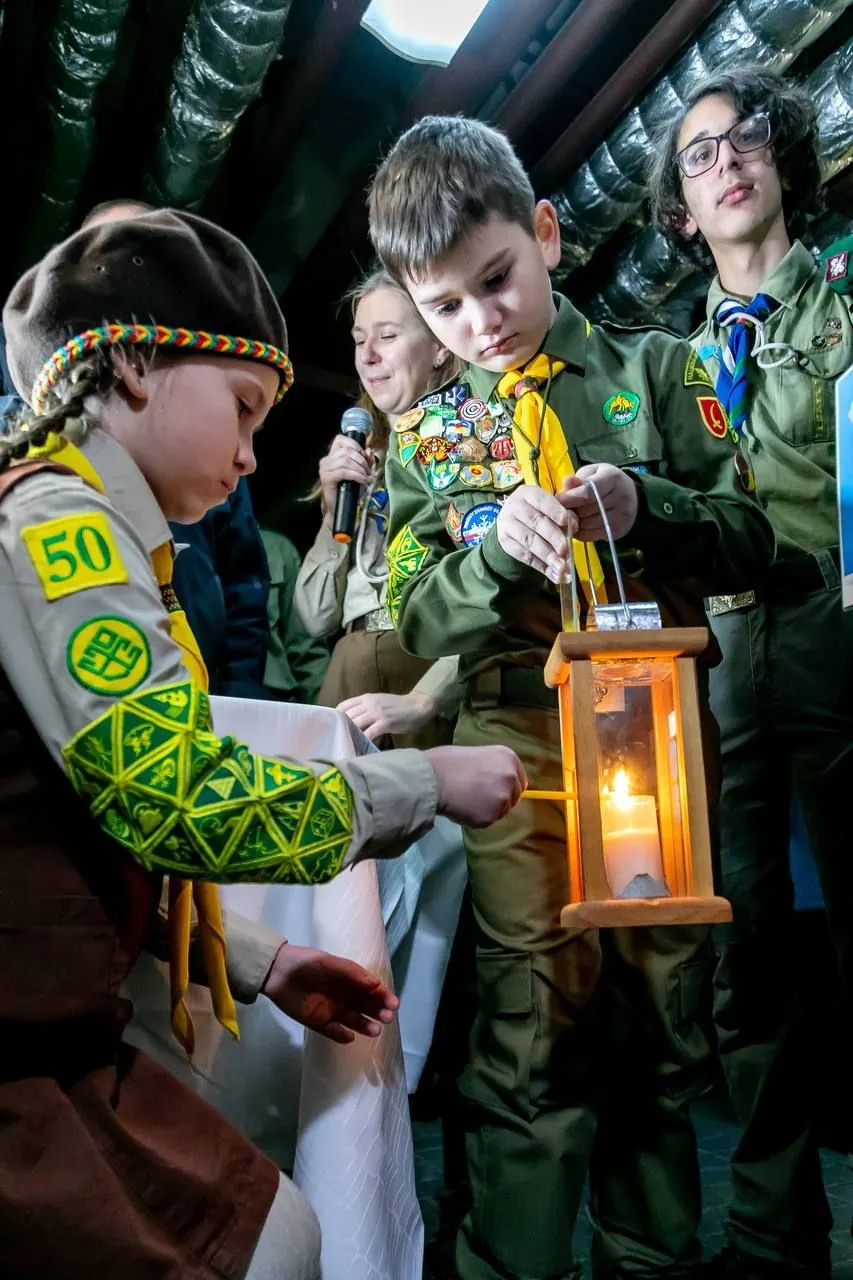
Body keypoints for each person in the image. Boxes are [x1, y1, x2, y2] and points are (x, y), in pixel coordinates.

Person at [0, 207, 526, 1277]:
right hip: (20, 1062)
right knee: (268, 1240)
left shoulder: (77, 523)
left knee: (271, 1228)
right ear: (138, 364)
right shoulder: (58, 530)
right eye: (242, 407)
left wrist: (263, 956)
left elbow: (65, 837)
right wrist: (420, 780)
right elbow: (173, 795)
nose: (250, 453)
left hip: (44, 1028)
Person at [367, 115, 774, 1280]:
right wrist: (495, 554)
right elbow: (412, 615)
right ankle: (513, 1260)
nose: (480, 322)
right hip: (516, 748)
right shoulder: (430, 441)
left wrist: (649, 504)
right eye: (445, 306)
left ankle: (651, 1256)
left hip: (658, 742)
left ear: (544, 233)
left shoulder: (658, 371)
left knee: (657, 1019)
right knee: (532, 1028)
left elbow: (756, 540)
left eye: (496, 279)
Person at [648, 67, 853, 1280]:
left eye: (742, 141)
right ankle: (774, 1237)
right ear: (679, 210)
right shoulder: (671, 370)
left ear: (780, 163)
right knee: (745, 956)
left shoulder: (844, 300)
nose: (723, 162)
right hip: (719, 669)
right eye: (695, 155)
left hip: (837, 637)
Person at [82, 198, 274, 698]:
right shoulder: (40, 491)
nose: (245, 457)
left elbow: (244, 583)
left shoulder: (208, 468)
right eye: (240, 406)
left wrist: (239, 696)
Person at [295, 268, 461, 749]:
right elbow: (313, 619)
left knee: (442, 819)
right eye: (359, 339)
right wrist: (331, 514)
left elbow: (501, 601)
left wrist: (430, 694)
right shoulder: (361, 457)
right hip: (351, 661)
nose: (368, 356)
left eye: (387, 336)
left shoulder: (476, 450)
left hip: (431, 664)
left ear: (439, 346)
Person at [261, 526, 331, 702]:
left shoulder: (275, 549)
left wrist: (327, 711)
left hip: (271, 698)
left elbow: (305, 648)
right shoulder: (185, 548)